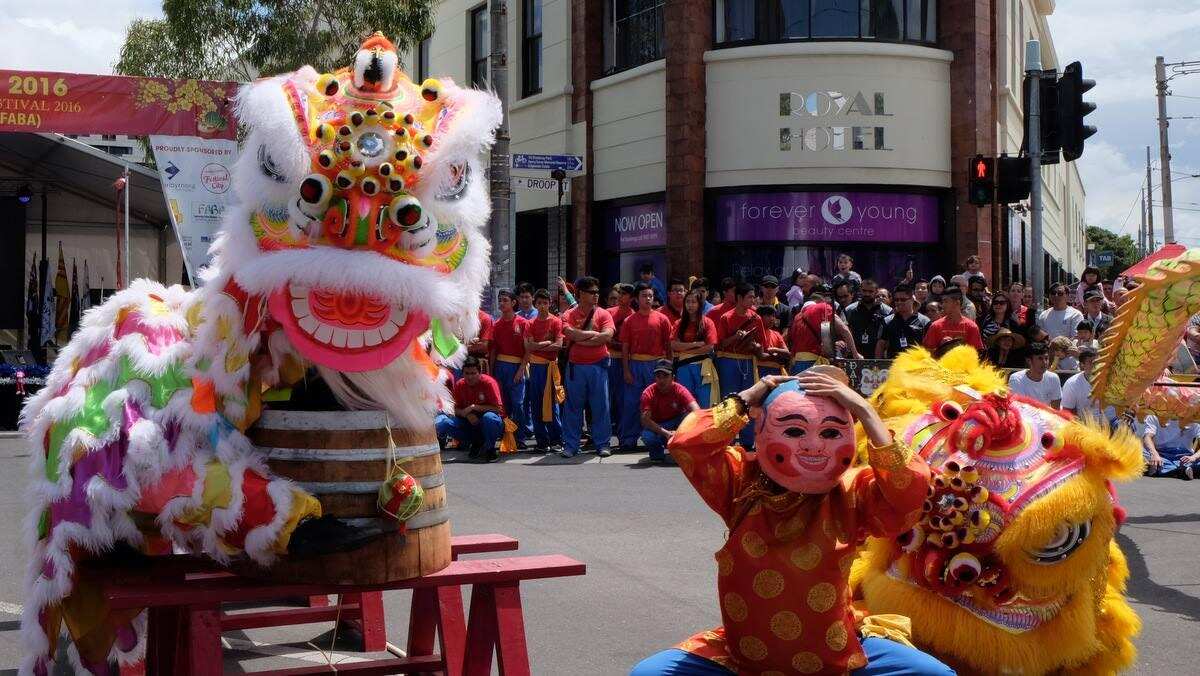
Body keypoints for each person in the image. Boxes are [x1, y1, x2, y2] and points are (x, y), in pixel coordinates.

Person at [629, 370, 948, 676]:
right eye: (795, 431)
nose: (813, 445)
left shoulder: (852, 492)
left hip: (835, 655)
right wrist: (748, 397)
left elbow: (909, 492)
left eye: (831, 432)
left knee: (936, 674)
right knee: (646, 673)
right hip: (742, 656)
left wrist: (863, 409)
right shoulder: (741, 482)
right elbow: (687, 443)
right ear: (763, 431)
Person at [561, 276, 616, 458]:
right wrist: (593, 335)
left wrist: (582, 338)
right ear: (581, 294)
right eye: (592, 292)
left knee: (601, 406)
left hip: (598, 367)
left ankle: (603, 443)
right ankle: (571, 445)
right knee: (573, 408)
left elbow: (606, 336)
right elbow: (568, 333)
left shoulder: (604, 314)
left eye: (597, 292)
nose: (596, 295)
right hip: (576, 368)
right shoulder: (569, 314)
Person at [620, 283, 674, 453]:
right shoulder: (629, 320)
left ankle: (657, 437)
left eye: (650, 296)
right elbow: (625, 348)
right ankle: (628, 439)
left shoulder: (662, 319)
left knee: (656, 402)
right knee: (631, 403)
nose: (648, 299)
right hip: (636, 364)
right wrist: (627, 370)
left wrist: (670, 369)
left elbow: (669, 345)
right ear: (637, 299)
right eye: (644, 295)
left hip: (657, 365)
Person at [714, 283, 765, 447]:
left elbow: (762, 344)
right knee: (729, 400)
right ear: (739, 298)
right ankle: (727, 439)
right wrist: (736, 337)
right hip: (728, 361)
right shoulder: (726, 318)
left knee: (748, 401)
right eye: (749, 296)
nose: (753, 299)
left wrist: (755, 346)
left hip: (748, 361)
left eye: (753, 296)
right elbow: (720, 344)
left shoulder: (756, 318)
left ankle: (747, 441)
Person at [435, 356, 505, 462]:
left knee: (489, 418)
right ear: (462, 373)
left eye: (473, 373)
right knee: (444, 422)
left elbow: (498, 409)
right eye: (467, 373)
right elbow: (453, 409)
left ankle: (490, 448)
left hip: (488, 424)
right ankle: (475, 443)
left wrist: (474, 407)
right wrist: (465, 414)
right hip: (468, 423)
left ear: (480, 372)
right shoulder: (460, 385)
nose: (470, 377)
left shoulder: (489, 383)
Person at [525, 289, 565, 453]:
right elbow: (528, 346)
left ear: (550, 304)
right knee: (536, 403)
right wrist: (545, 344)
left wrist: (538, 345)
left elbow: (559, 345)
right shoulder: (530, 323)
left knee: (552, 403)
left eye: (545, 303)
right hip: (535, 367)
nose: (542, 306)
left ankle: (557, 439)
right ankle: (542, 441)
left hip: (551, 367)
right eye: (539, 303)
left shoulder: (556, 321)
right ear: (535, 304)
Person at [638, 360, 700, 464]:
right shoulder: (648, 393)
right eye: (658, 376)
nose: (661, 380)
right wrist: (666, 433)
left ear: (673, 377)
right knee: (647, 436)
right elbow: (645, 421)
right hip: (657, 425)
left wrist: (682, 431)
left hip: (676, 422)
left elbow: (697, 410)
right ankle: (657, 455)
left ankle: (681, 450)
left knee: (690, 417)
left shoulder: (680, 390)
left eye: (665, 376)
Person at [489, 289, 530, 445]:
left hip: (516, 366)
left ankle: (520, 437)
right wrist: (492, 372)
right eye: (500, 300)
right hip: (500, 366)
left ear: (513, 303)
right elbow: (493, 350)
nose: (502, 303)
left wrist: (521, 369)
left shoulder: (523, 323)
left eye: (505, 300)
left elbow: (528, 350)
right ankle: (506, 434)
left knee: (518, 403)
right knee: (503, 403)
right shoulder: (496, 324)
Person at [788, 290, 860, 372]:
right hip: (815, 364)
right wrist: (855, 354)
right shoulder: (822, 307)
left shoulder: (797, 317)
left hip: (798, 364)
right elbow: (844, 330)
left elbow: (792, 344)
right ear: (820, 302)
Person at [672, 289, 720, 408]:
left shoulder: (708, 323)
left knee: (705, 402)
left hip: (703, 367)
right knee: (685, 403)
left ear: (699, 304)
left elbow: (709, 347)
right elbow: (673, 345)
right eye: (687, 302)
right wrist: (695, 344)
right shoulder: (679, 323)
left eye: (693, 302)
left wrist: (684, 349)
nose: (690, 305)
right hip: (683, 367)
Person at [607, 283, 636, 446]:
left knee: (624, 400)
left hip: (627, 360)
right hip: (609, 358)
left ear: (631, 298)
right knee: (606, 399)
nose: (620, 297)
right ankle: (603, 437)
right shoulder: (608, 313)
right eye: (620, 293)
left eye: (624, 294)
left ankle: (624, 435)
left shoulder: (634, 315)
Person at [875, 283, 929, 358]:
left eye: (903, 300)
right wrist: (878, 365)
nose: (899, 302)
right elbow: (881, 345)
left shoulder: (925, 321)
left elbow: (929, 347)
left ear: (912, 299)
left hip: (916, 366)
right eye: (896, 300)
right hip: (893, 365)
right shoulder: (887, 321)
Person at [1140, 412, 1200, 479]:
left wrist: (1194, 457)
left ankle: (1176, 470)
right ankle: (1183, 470)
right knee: (1140, 453)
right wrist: (1154, 454)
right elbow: (1147, 437)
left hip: (1185, 456)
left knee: (1154, 465)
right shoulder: (1154, 416)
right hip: (1161, 454)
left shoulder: (1194, 418)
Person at [922, 287, 983, 351]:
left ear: (957, 303)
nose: (942, 305)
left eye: (946, 301)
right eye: (942, 302)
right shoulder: (935, 326)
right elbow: (926, 352)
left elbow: (977, 354)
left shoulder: (971, 327)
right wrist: (941, 347)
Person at [844, 278, 892, 358]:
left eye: (870, 291)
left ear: (876, 292)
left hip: (878, 355)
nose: (867, 294)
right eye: (864, 291)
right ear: (860, 290)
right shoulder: (849, 310)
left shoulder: (887, 312)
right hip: (855, 355)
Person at [1007, 342, 1062, 408]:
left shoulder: (1054, 378)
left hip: (1048, 417)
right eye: (1040, 358)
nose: (1044, 362)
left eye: (1046, 358)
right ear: (1029, 361)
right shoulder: (1016, 379)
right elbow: (1019, 409)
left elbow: (1056, 409)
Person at [1061, 347, 1102, 419]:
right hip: (1085, 427)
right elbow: (1067, 412)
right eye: (1091, 362)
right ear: (1082, 365)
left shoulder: (1111, 380)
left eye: (1098, 362)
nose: (1095, 365)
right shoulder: (1072, 384)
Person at [754, 305, 791, 379]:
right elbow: (761, 356)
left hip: (776, 372)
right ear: (760, 317)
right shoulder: (755, 333)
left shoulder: (776, 334)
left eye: (773, 316)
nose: (772, 319)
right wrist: (778, 356)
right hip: (760, 371)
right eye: (768, 315)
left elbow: (787, 353)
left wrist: (774, 349)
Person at [465, 308, 494, 375]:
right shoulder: (458, 318)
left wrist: (462, 349)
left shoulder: (484, 318)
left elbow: (483, 346)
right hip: (461, 362)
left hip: (478, 362)